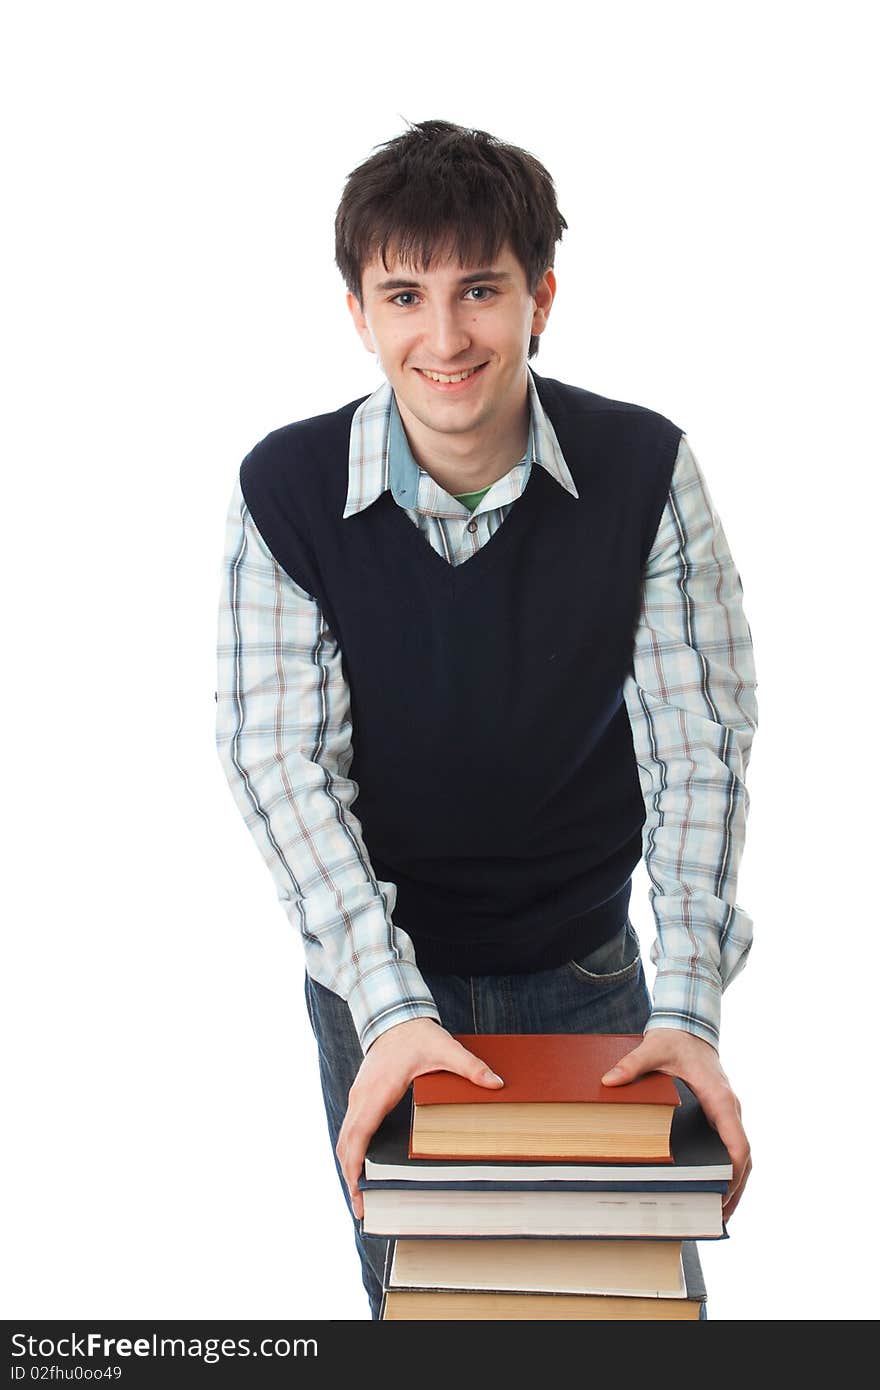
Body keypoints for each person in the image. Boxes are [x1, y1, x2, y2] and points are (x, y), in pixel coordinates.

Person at [214, 118, 758, 1320]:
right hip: (373, 979)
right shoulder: (288, 490)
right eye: (403, 293)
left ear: (540, 297)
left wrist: (690, 1009)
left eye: (481, 289)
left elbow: (699, 753)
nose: (445, 336)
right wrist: (390, 1008)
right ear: (358, 309)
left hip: (585, 969)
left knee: (625, 1310)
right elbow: (281, 765)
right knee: (431, 1310)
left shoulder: (645, 470)